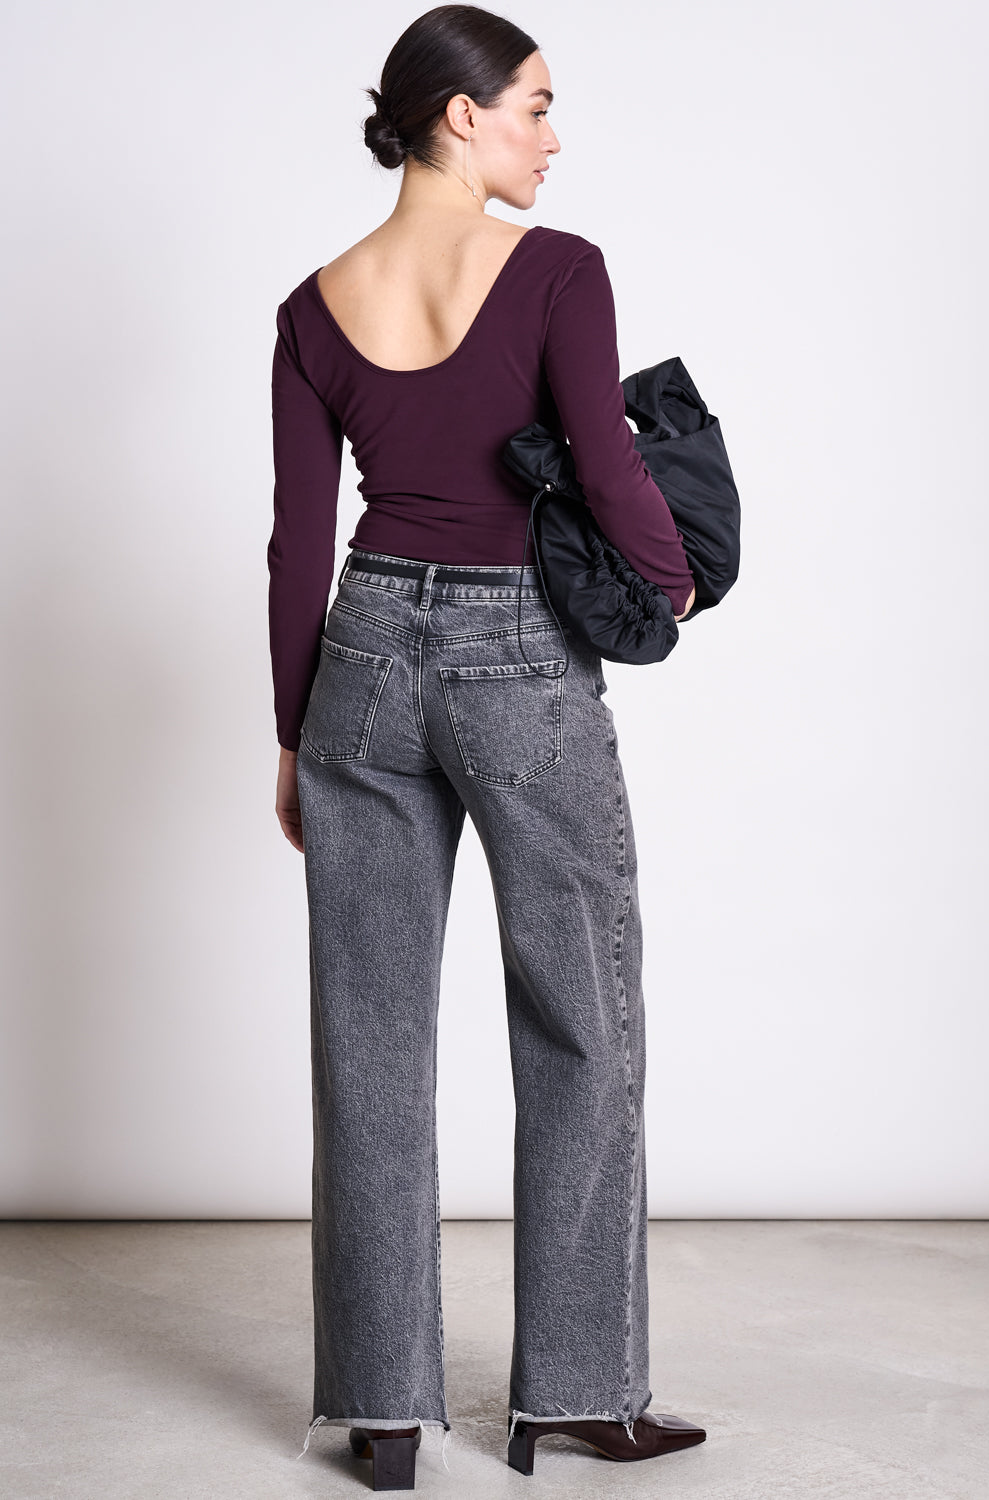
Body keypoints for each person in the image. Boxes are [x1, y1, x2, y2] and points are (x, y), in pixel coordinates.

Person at [269, 5, 706, 1487]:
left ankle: (382, 1416)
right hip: (518, 657)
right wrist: (670, 581)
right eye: (533, 104)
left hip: (362, 662)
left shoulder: (315, 306)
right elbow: (604, 458)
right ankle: (573, 1391)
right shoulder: (556, 273)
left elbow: (296, 544)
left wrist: (293, 732)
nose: (551, 133)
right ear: (460, 116)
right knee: (583, 1017)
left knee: (368, 1041)